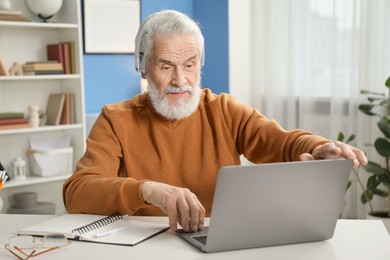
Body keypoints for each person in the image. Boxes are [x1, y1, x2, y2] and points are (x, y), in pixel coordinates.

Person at [63, 10, 367, 233]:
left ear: (200, 65)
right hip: (146, 246)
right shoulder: (115, 119)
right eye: (166, 66)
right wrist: (147, 190)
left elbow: (280, 140)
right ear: (143, 67)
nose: (180, 80)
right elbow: (77, 192)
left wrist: (318, 148)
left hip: (217, 244)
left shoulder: (222, 109)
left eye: (189, 65)